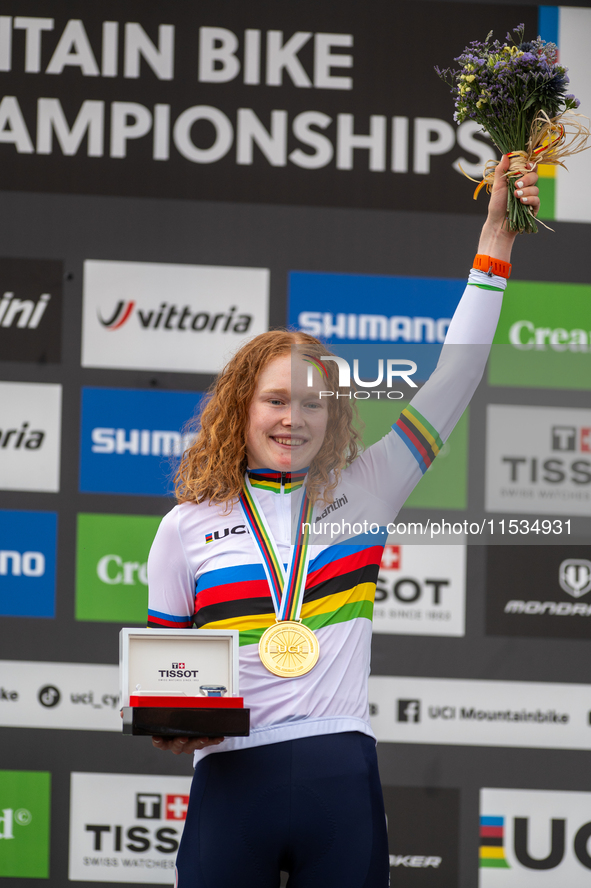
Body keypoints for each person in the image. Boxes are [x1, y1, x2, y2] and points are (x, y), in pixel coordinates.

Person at [147, 155, 540, 887]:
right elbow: (166, 673)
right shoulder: (184, 526)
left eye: (311, 403)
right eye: (274, 399)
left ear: (333, 414)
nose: (292, 418)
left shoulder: (371, 486)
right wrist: (166, 722)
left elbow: (456, 376)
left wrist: (496, 241)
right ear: (241, 407)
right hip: (231, 781)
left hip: (340, 772)